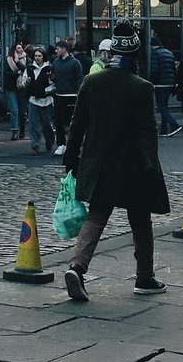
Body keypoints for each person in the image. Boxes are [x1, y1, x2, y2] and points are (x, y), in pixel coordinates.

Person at [63, 22, 170, 303]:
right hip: (132, 166)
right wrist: (150, 165)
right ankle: (144, 277)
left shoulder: (92, 81)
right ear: (135, 56)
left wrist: (71, 157)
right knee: (140, 220)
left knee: (97, 215)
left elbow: (77, 125)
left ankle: (77, 266)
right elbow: (148, 132)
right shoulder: (141, 88)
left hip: (98, 163)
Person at [51, 40, 83, 155]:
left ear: (64, 49)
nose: (56, 50)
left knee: (72, 122)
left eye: (58, 48)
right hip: (59, 94)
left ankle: (73, 145)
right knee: (58, 121)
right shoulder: (55, 62)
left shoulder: (75, 63)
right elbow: (53, 76)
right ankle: (61, 144)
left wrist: (79, 92)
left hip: (72, 95)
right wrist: (52, 78)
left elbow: (79, 78)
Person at [24, 46, 55, 155]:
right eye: (36, 56)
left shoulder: (49, 69)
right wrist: (26, 82)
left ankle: (50, 141)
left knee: (46, 123)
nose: (37, 58)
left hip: (46, 100)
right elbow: (24, 82)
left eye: (39, 56)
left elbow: (53, 84)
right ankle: (35, 145)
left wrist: (45, 91)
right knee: (33, 124)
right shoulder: (29, 68)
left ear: (43, 57)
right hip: (33, 99)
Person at [149, 34, 182, 137]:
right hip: (169, 84)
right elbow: (174, 69)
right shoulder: (170, 53)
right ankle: (163, 129)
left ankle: (174, 124)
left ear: (153, 45)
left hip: (160, 84)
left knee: (161, 107)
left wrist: (151, 82)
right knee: (165, 107)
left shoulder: (155, 54)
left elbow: (154, 70)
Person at [3, 42, 28, 140]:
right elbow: (6, 72)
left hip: (22, 86)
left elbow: (26, 70)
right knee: (14, 110)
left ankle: (22, 130)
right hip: (11, 87)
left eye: (21, 47)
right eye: (18, 48)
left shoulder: (26, 59)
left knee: (22, 111)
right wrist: (17, 73)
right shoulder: (8, 59)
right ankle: (14, 131)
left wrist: (18, 62)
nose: (21, 49)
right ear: (14, 49)